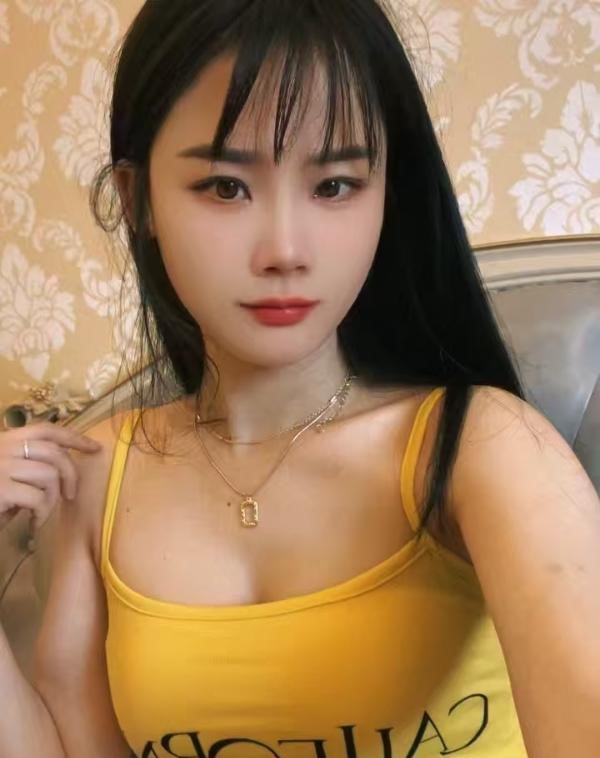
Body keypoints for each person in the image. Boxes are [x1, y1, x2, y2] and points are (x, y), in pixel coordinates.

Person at [0, 0, 598, 756]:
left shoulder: (477, 447)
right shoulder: (95, 475)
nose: (286, 250)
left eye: (336, 185)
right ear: (136, 199)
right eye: (225, 187)